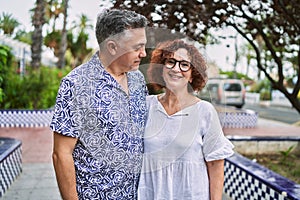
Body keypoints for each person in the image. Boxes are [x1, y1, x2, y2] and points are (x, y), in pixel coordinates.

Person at [50, 9, 148, 199]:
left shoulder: (137, 79)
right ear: (112, 47)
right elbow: (61, 154)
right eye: (137, 47)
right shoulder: (76, 84)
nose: (143, 53)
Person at [138, 39, 234, 200]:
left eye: (184, 65)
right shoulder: (147, 106)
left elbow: (215, 164)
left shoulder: (205, 111)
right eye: (171, 62)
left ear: (192, 75)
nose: (176, 69)